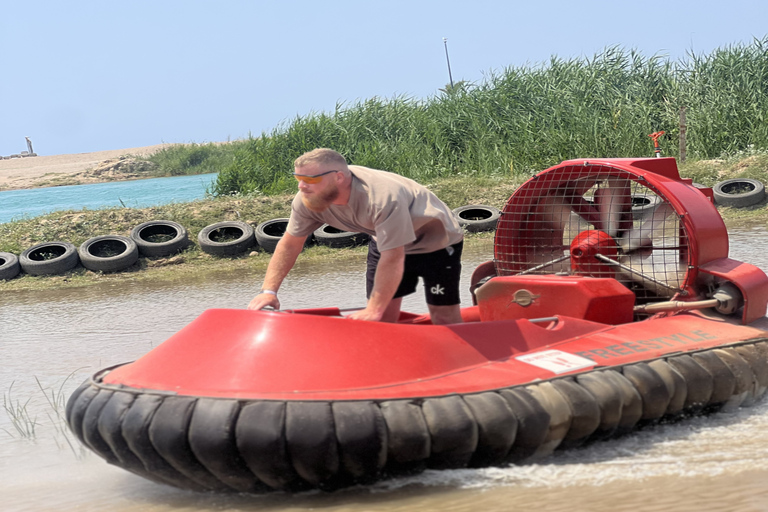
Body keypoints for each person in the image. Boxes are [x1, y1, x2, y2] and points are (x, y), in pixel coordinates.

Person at [247, 148, 465, 324]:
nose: (301, 186)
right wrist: (268, 291)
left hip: (435, 242)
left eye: (309, 179)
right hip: (385, 242)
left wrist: (373, 309)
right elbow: (290, 244)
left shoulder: (381, 197)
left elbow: (394, 257)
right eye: (298, 178)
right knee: (383, 320)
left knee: (443, 316)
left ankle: (462, 357)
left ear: (338, 177)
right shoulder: (306, 200)